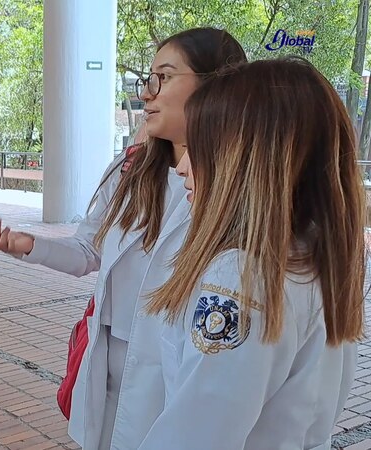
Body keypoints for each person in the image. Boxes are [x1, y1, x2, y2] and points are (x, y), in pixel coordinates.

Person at [0, 28, 246, 449]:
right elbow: (89, 250)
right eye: (148, 78)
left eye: (164, 77)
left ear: (216, 85)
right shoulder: (131, 169)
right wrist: (29, 246)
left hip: (180, 369)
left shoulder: (241, 189)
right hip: (108, 359)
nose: (147, 93)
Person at [138, 57, 362, 450]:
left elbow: (197, 436)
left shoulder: (241, 276)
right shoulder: (316, 256)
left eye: (198, 146)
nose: (183, 166)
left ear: (243, 159)